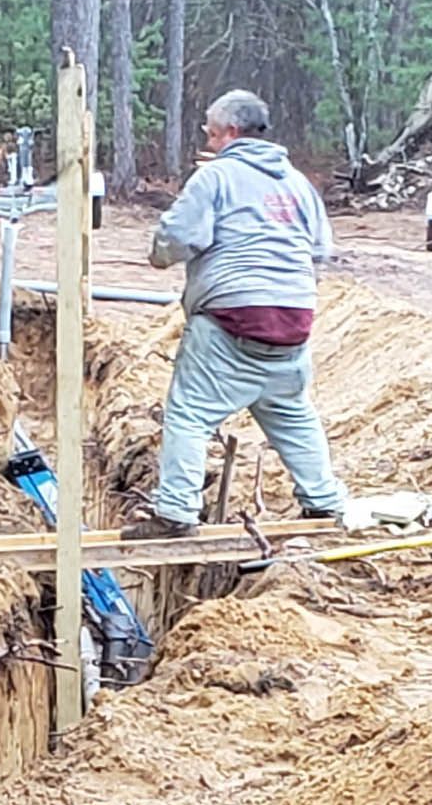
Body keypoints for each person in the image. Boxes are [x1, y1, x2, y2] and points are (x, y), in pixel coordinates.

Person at [123, 88, 346, 539]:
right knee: (291, 411)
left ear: (228, 132)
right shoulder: (298, 183)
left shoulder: (216, 178)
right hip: (294, 320)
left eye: (208, 130)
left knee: (189, 414)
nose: (206, 137)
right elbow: (321, 249)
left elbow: (174, 241)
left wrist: (162, 253)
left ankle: (176, 513)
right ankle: (325, 504)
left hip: (232, 318)